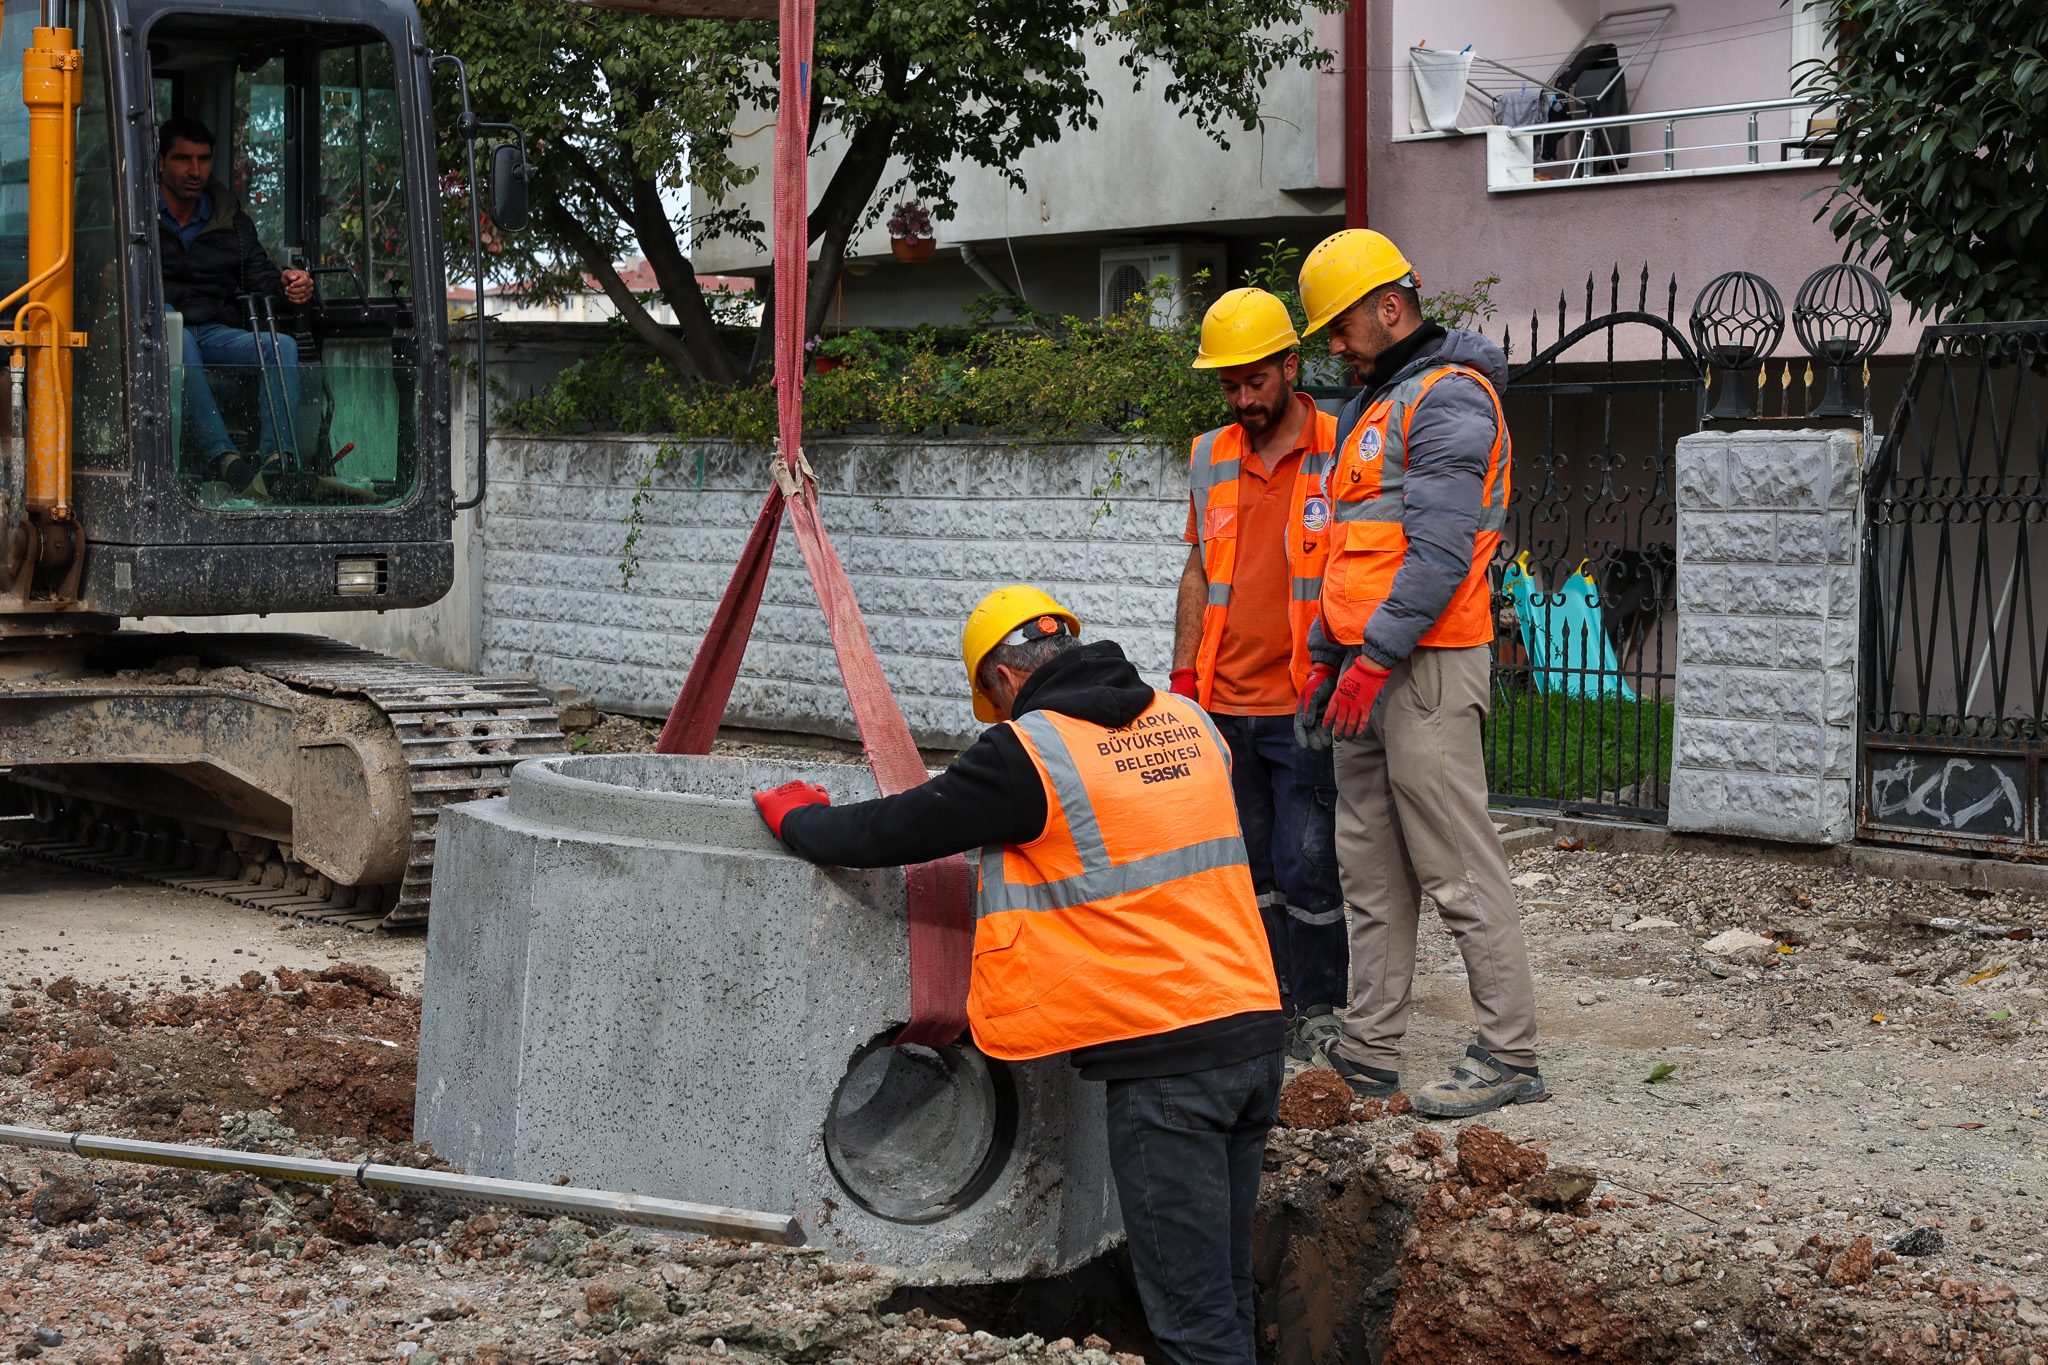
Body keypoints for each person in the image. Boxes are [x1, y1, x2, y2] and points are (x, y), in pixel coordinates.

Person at [756, 586, 1283, 1365]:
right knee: (1226, 1295)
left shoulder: (1030, 752)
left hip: (1167, 1066)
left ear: (1003, 677)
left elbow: (894, 826)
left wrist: (797, 817)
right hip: (1254, 1039)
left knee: (1194, 1327)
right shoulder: (1192, 724)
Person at [1292, 229, 1544, 1119]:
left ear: (1389, 307)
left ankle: (1509, 1052)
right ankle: (1369, 1050)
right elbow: (1349, 555)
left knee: (1454, 866)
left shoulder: (1449, 401)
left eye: (1338, 325)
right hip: (1372, 666)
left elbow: (1437, 556)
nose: (1331, 344)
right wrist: (1330, 662)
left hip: (1427, 667)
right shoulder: (1381, 402)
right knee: (1371, 870)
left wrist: (1374, 659)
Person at [1174, 287, 1347, 1076]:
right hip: (1222, 702)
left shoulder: (1342, 447)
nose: (1242, 398)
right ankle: (1269, 999)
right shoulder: (1209, 453)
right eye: (1229, 385)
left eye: (1255, 380)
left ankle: (1320, 1008)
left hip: (1303, 700)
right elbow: (1198, 569)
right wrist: (1183, 681)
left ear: (1290, 364)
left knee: (1309, 859)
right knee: (1250, 863)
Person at [157, 115, 314, 496]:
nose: (195, 170)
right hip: (156, 328)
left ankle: (278, 463)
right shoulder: (136, 215)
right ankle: (225, 459)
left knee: (282, 346)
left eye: (204, 159)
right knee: (178, 337)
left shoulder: (230, 219)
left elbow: (258, 275)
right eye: (182, 159)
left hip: (213, 330)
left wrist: (288, 283)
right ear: (160, 162)